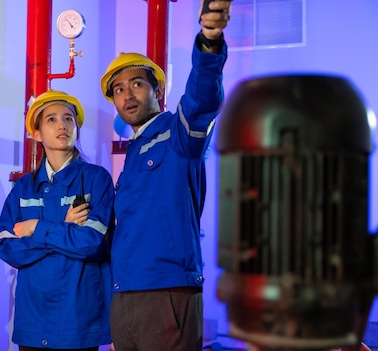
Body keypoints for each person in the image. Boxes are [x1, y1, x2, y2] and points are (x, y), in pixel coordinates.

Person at [99, 1, 232, 350]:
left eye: (137, 84)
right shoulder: (133, 152)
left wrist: (209, 40)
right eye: (118, 90)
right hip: (126, 293)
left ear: (157, 90)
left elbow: (202, 97)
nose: (127, 94)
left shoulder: (178, 134)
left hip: (167, 291)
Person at [0, 90, 114, 351]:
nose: (62, 125)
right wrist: (66, 227)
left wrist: (35, 228)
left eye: (69, 119)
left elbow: (92, 243)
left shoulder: (96, 179)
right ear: (36, 134)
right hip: (32, 321)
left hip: (79, 321)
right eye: (51, 119)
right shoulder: (23, 188)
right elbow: (6, 246)